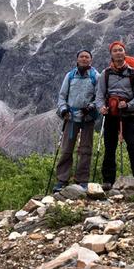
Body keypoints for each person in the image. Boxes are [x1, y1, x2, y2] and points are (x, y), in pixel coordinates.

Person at [96, 41, 134, 189]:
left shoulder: (133, 73)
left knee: (133, 145)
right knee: (110, 147)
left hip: (128, 114)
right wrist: (101, 107)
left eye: (120, 50)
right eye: (115, 50)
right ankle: (108, 180)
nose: (118, 52)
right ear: (111, 54)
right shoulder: (105, 74)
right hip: (111, 113)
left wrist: (128, 105)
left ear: (125, 53)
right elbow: (99, 95)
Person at [54, 50, 98, 192]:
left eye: (87, 57)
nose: (84, 59)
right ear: (77, 59)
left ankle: (82, 180)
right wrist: (63, 110)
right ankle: (62, 179)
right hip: (71, 117)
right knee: (67, 148)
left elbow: (100, 96)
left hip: (87, 117)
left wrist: (91, 107)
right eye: (81, 57)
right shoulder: (70, 75)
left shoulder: (95, 76)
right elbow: (62, 96)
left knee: (86, 149)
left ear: (91, 60)